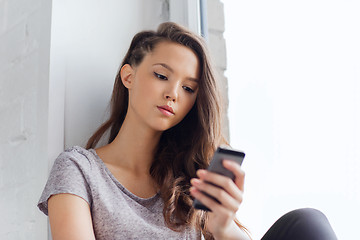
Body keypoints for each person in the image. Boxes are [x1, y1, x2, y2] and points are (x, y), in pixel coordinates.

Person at [38, 22, 337, 240]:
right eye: (161, 75)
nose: (173, 94)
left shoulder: (188, 180)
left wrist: (223, 228)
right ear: (128, 75)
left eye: (188, 88)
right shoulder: (78, 170)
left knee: (307, 224)